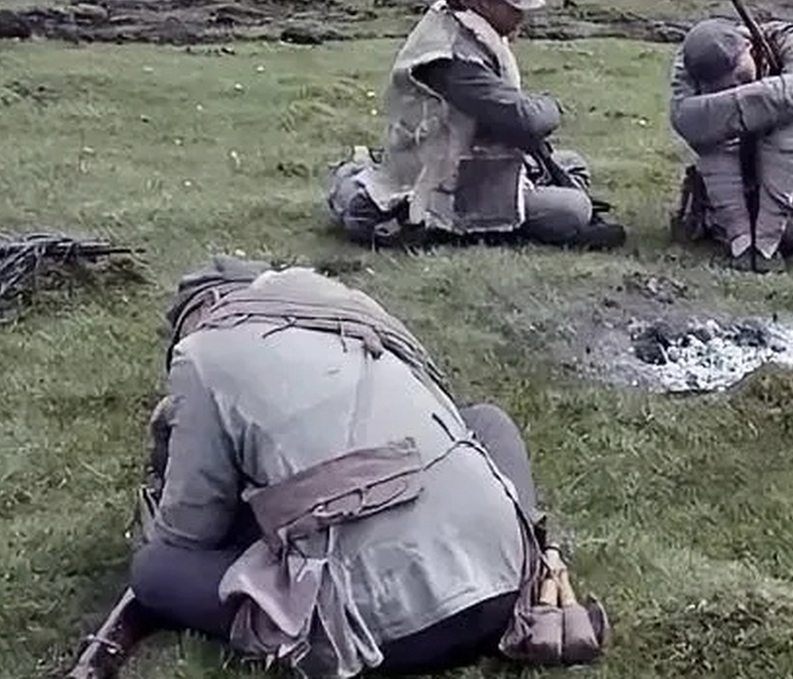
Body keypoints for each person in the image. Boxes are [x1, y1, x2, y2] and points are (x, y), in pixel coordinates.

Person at [128, 256, 603, 677]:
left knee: (155, 569)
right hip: (507, 585)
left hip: (390, 634)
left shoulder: (203, 354)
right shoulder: (348, 305)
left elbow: (190, 531)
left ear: (197, 316)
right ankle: (533, 555)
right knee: (484, 421)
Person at [324, 0, 625, 250]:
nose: (522, 15)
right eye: (513, 6)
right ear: (484, 3)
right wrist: (552, 106)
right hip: (445, 180)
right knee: (574, 209)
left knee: (572, 164)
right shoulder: (454, 58)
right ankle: (462, 226)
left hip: (465, 159)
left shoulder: (466, 25)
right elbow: (527, 119)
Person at [666, 16, 793, 274]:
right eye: (723, 86)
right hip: (732, 184)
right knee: (716, 124)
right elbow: (687, 121)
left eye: (738, 75)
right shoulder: (691, 58)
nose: (736, 85)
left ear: (748, 48)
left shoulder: (788, 38)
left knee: (783, 109)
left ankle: (768, 241)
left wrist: (724, 106)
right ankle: (740, 237)